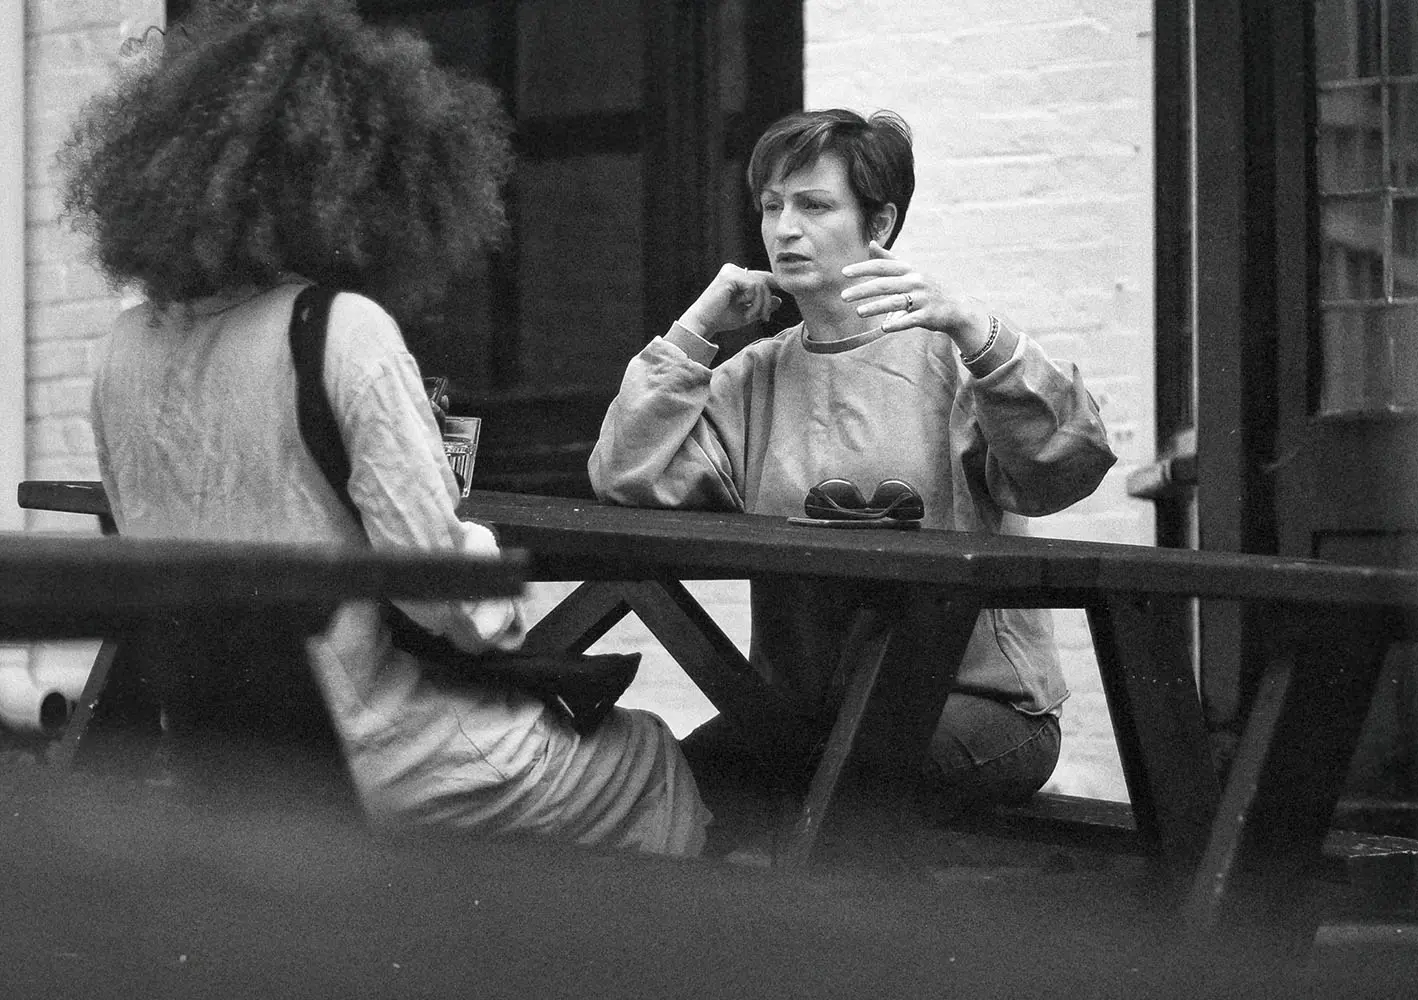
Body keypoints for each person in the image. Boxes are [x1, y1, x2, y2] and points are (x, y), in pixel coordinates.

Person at [62, 0, 708, 856]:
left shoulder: (120, 349)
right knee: (649, 757)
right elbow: (441, 592)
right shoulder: (337, 330)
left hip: (226, 764)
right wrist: (492, 583)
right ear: (347, 182)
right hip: (385, 755)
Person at [589, 108, 1116, 839]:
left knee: (846, 790)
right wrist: (697, 327)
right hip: (804, 715)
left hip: (979, 706)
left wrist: (979, 330)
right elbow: (623, 475)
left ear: (881, 224)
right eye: (771, 205)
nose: (784, 229)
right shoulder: (753, 379)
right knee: (668, 802)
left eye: (814, 205)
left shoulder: (954, 362)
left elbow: (1069, 463)